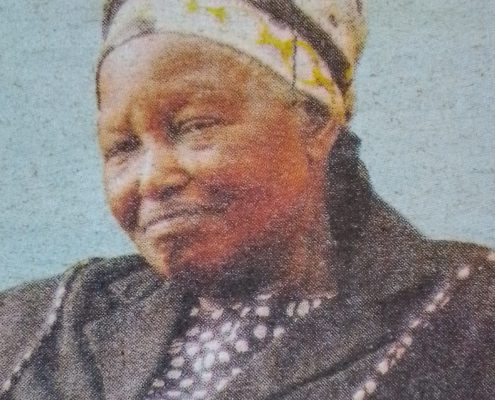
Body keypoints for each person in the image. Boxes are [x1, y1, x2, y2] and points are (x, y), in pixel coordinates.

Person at [1, 1, 494, 399]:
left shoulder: (469, 318)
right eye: (122, 147)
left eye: (194, 127)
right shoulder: (44, 327)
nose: (152, 179)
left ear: (317, 123)